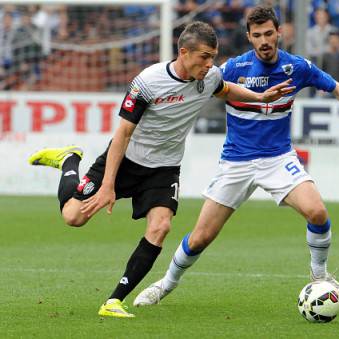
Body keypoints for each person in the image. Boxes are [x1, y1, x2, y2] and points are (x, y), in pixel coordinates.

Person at [28, 21, 294, 318]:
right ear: (184, 52)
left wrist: (260, 97)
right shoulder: (148, 82)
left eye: (213, 56)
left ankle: (113, 301)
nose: (210, 64)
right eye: (204, 56)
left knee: (161, 226)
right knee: (73, 217)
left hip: (164, 168)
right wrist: (108, 186)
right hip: (128, 159)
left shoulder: (210, 76)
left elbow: (225, 89)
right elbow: (123, 135)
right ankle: (69, 161)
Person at [133, 6, 339, 309]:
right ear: (249, 37)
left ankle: (320, 277)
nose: (264, 40)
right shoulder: (231, 69)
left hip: (278, 158)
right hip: (236, 163)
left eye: (269, 33)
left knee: (317, 212)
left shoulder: (297, 67)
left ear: (279, 33)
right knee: (201, 237)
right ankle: (166, 284)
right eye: (257, 35)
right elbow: (192, 84)